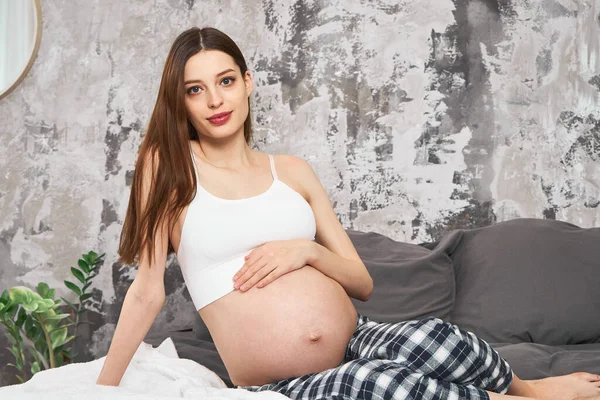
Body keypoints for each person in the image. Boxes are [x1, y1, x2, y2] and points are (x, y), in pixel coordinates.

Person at [96, 26, 600, 400]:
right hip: (281, 380)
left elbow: (361, 282)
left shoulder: (292, 172)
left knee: (437, 338)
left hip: (357, 334)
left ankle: (529, 390)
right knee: (383, 384)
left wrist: (306, 251)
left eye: (225, 81)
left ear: (248, 83)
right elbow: (146, 288)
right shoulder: (167, 166)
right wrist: (102, 390)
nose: (214, 100)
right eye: (195, 89)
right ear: (180, 101)